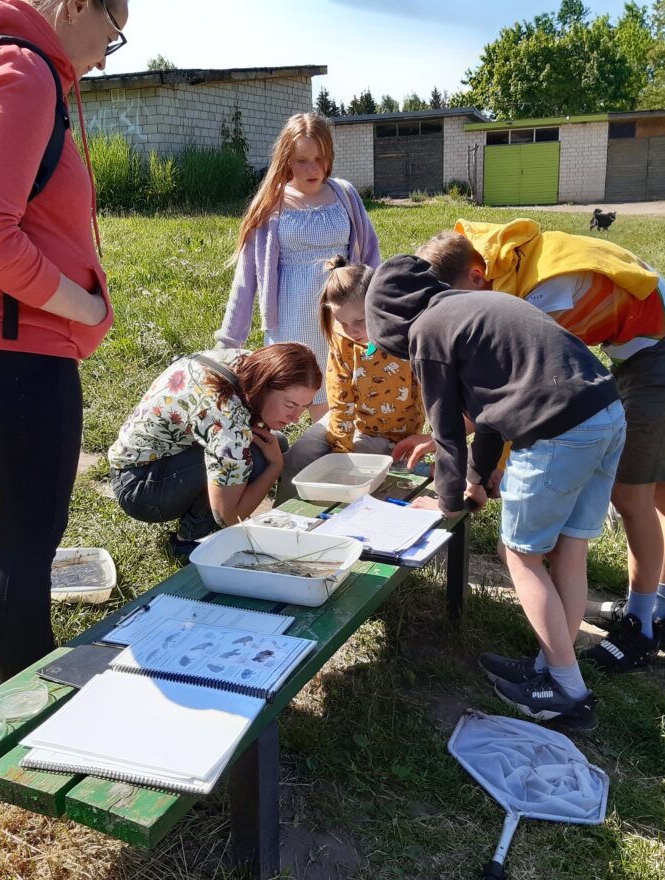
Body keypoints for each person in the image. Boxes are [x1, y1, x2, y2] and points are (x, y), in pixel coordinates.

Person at [0, 0, 124, 679]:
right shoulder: (21, 69)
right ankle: (28, 701)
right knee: (28, 533)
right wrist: (83, 305)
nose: (105, 52)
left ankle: (28, 674)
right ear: (75, 6)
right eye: (113, 31)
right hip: (17, 341)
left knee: (25, 522)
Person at [419, 222, 665, 671]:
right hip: (644, 346)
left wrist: (492, 467)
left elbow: (535, 393)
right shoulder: (509, 266)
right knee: (660, 482)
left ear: (476, 275)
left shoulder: (539, 293)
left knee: (634, 492)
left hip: (663, 347)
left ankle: (645, 622)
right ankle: (654, 606)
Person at [365, 253, 625, 730]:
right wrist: (479, 481)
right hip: (605, 412)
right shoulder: (474, 305)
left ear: (390, 322)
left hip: (557, 430)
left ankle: (566, 691)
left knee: (519, 554)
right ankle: (551, 667)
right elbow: (490, 415)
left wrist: (445, 505)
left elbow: (446, 434)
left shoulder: (427, 331)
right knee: (569, 548)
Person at [215, 113, 380, 420]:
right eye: (302, 159)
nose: (313, 168)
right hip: (291, 321)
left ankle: (337, 462)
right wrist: (227, 344)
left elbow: (370, 257)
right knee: (287, 399)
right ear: (286, 158)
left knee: (339, 403)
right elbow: (246, 279)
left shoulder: (344, 194)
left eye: (320, 158)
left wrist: (377, 313)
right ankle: (277, 460)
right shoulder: (271, 204)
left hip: (340, 319)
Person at [109, 343, 321, 559]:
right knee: (257, 457)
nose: (296, 418)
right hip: (140, 489)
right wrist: (276, 466)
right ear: (264, 386)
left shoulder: (247, 363)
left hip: (150, 462)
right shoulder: (226, 419)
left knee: (271, 443)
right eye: (290, 405)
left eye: (305, 406)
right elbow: (228, 516)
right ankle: (189, 541)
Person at [277, 256, 428, 501]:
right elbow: (340, 395)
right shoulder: (343, 339)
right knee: (301, 453)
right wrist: (340, 446)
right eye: (342, 322)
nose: (352, 331)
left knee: (354, 465)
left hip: (389, 433)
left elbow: (428, 392)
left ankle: (326, 516)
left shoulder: (405, 339)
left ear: (379, 305)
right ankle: (283, 514)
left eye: (359, 320)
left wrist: (343, 456)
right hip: (348, 418)